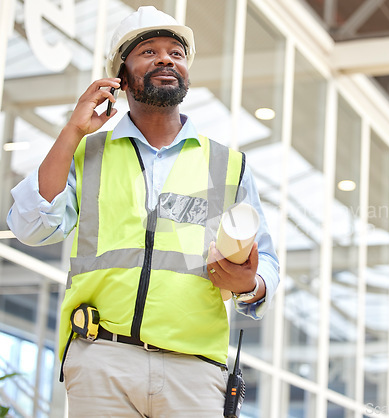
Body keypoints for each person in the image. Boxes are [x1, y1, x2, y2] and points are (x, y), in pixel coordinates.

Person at [7, 6, 279, 417]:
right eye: (149, 51)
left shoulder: (228, 165)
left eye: (176, 52)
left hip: (195, 368)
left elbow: (268, 263)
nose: (167, 59)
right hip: (102, 359)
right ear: (120, 74)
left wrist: (250, 284)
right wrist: (72, 131)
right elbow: (30, 226)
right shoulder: (86, 154)